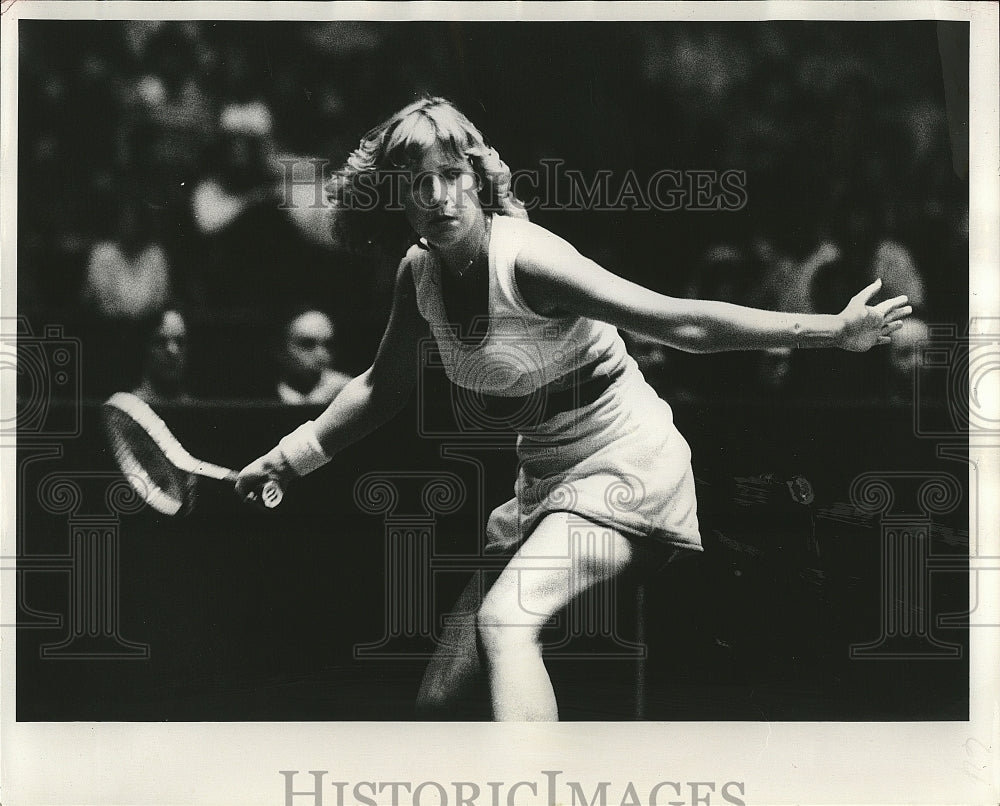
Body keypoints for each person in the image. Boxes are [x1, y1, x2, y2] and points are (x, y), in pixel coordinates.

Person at [235, 98, 912, 721]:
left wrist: (830, 331)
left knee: (506, 623)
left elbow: (679, 323)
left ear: (475, 176)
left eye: (451, 173)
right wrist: (288, 459)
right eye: (418, 183)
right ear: (399, 200)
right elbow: (383, 389)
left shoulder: (530, 261)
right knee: (439, 701)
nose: (438, 195)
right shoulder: (417, 274)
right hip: (545, 480)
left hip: (627, 463)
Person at [275, 307, 352, 405]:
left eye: (329, 345)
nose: (321, 354)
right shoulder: (258, 396)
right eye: (307, 344)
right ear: (279, 349)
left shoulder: (349, 392)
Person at [132, 305, 193, 404]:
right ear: (146, 347)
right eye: (160, 342)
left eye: (180, 342)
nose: (173, 351)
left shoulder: (195, 410)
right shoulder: (126, 411)